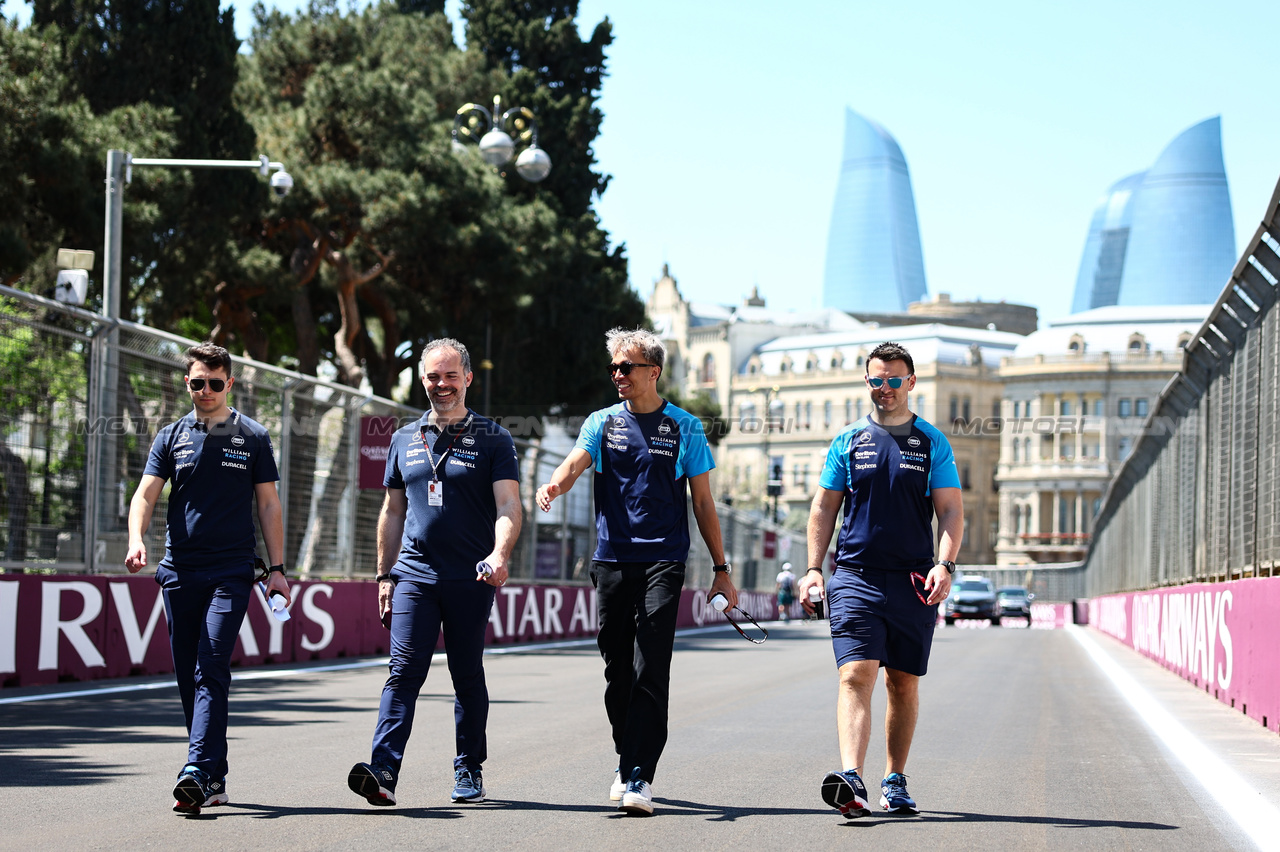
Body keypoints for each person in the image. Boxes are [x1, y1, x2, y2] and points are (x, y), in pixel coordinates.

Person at [536, 327, 738, 816]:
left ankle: (640, 774)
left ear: (654, 371)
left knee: (651, 663)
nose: (618, 375)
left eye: (627, 367)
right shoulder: (602, 423)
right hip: (610, 561)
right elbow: (576, 461)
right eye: (614, 368)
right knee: (616, 669)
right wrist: (554, 486)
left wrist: (721, 569)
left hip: (663, 561)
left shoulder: (685, 427)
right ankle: (628, 757)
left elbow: (704, 502)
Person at [348, 338, 521, 807]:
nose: (440, 384)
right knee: (402, 673)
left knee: (467, 673)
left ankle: (469, 769)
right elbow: (392, 511)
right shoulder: (404, 437)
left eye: (449, 375)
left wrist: (500, 553)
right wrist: (385, 576)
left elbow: (508, 504)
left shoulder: (494, 438)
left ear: (467, 378)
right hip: (414, 576)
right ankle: (383, 769)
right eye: (432, 376)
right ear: (421, 379)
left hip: (471, 577)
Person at [798, 341, 962, 819]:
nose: (885, 388)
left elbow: (951, 510)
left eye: (894, 380)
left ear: (911, 383)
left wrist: (944, 565)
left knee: (903, 684)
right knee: (856, 674)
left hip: (914, 581)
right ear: (867, 382)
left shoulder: (932, 442)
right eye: (877, 379)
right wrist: (813, 569)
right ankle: (852, 778)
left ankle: (895, 779)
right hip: (855, 576)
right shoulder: (847, 441)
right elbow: (824, 508)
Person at [124, 343, 288, 814]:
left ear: (229, 385)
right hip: (178, 571)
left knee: (210, 664)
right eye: (198, 382)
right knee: (185, 673)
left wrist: (276, 571)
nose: (207, 390)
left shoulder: (253, 436)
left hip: (232, 570)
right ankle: (212, 775)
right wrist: (137, 538)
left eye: (216, 383)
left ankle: (195, 769)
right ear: (187, 383)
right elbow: (145, 495)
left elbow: (269, 505)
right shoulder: (170, 436)